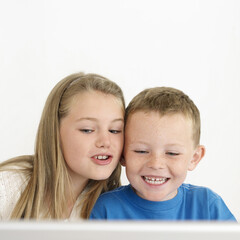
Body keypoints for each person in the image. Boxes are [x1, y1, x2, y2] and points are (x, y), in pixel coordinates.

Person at [90, 87, 236, 221]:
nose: (155, 164)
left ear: (194, 158)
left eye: (172, 153)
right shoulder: (105, 210)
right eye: (141, 151)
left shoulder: (208, 206)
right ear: (123, 155)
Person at [0, 72, 125, 220]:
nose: (105, 141)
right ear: (54, 131)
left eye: (115, 130)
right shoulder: (7, 186)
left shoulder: (114, 207)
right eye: (87, 130)